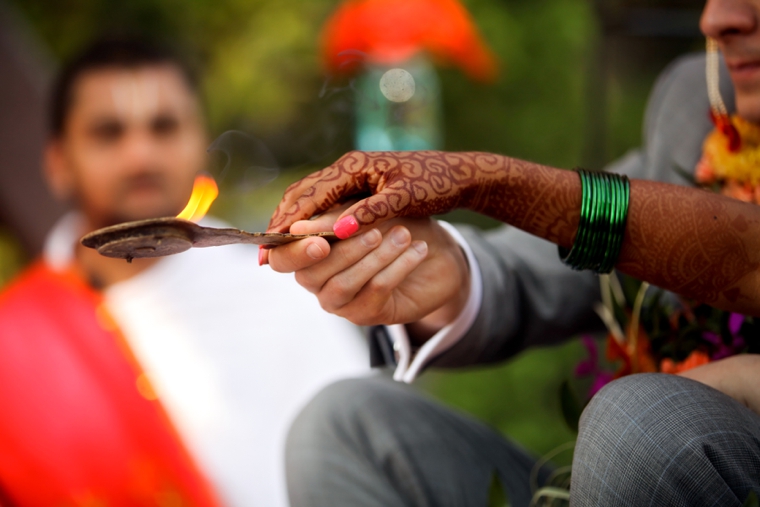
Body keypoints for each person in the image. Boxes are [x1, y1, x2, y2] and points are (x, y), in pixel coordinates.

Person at [263, 0, 760, 505]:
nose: (717, 19)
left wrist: (487, 181)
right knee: (344, 424)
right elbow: (575, 253)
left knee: (643, 423)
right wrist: (447, 270)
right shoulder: (700, 100)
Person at [0, 38, 368, 506]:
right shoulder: (15, 340)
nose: (140, 157)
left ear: (201, 142)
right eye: (108, 133)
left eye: (164, 127)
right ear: (58, 163)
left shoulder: (281, 288)